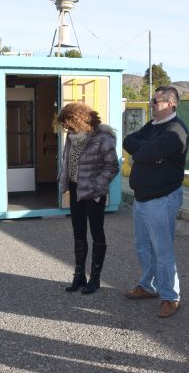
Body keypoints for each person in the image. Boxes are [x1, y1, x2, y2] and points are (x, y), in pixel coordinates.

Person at [123, 86, 189, 318]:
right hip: (142, 198)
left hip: (162, 200)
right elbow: (129, 141)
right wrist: (145, 151)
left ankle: (171, 297)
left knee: (162, 250)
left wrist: (143, 152)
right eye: (152, 101)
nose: (151, 104)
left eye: (156, 101)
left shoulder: (176, 130)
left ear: (171, 103)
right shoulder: (153, 126)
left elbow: (145, 154)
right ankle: (148, 286)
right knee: (142, 246)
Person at [56, 102, 119, 295]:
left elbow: (112, 167)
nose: (65, 126)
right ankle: (79, 275)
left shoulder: (102, 137)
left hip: (94, 194)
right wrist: (64, 180)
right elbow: (67, 161)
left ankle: (95, 278)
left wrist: (96, 186)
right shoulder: (71, 136)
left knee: (97, 233)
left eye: (66, 122)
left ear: (76, 119)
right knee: (78, 233)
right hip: (76, 190)